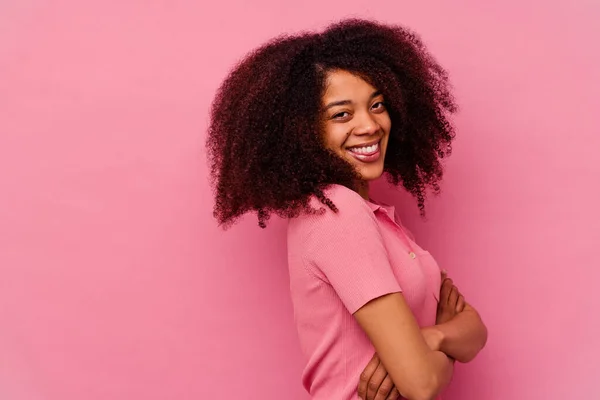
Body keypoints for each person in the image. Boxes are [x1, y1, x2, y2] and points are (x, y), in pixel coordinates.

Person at [206, 18, 488, 400]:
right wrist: (437, 352)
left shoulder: (377, 218)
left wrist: (431, 337)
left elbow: (475, 332)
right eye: (342, 114)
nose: (369, 125)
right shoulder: (335, 212)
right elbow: (420, 384)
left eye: (377, 105)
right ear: (304, 132)